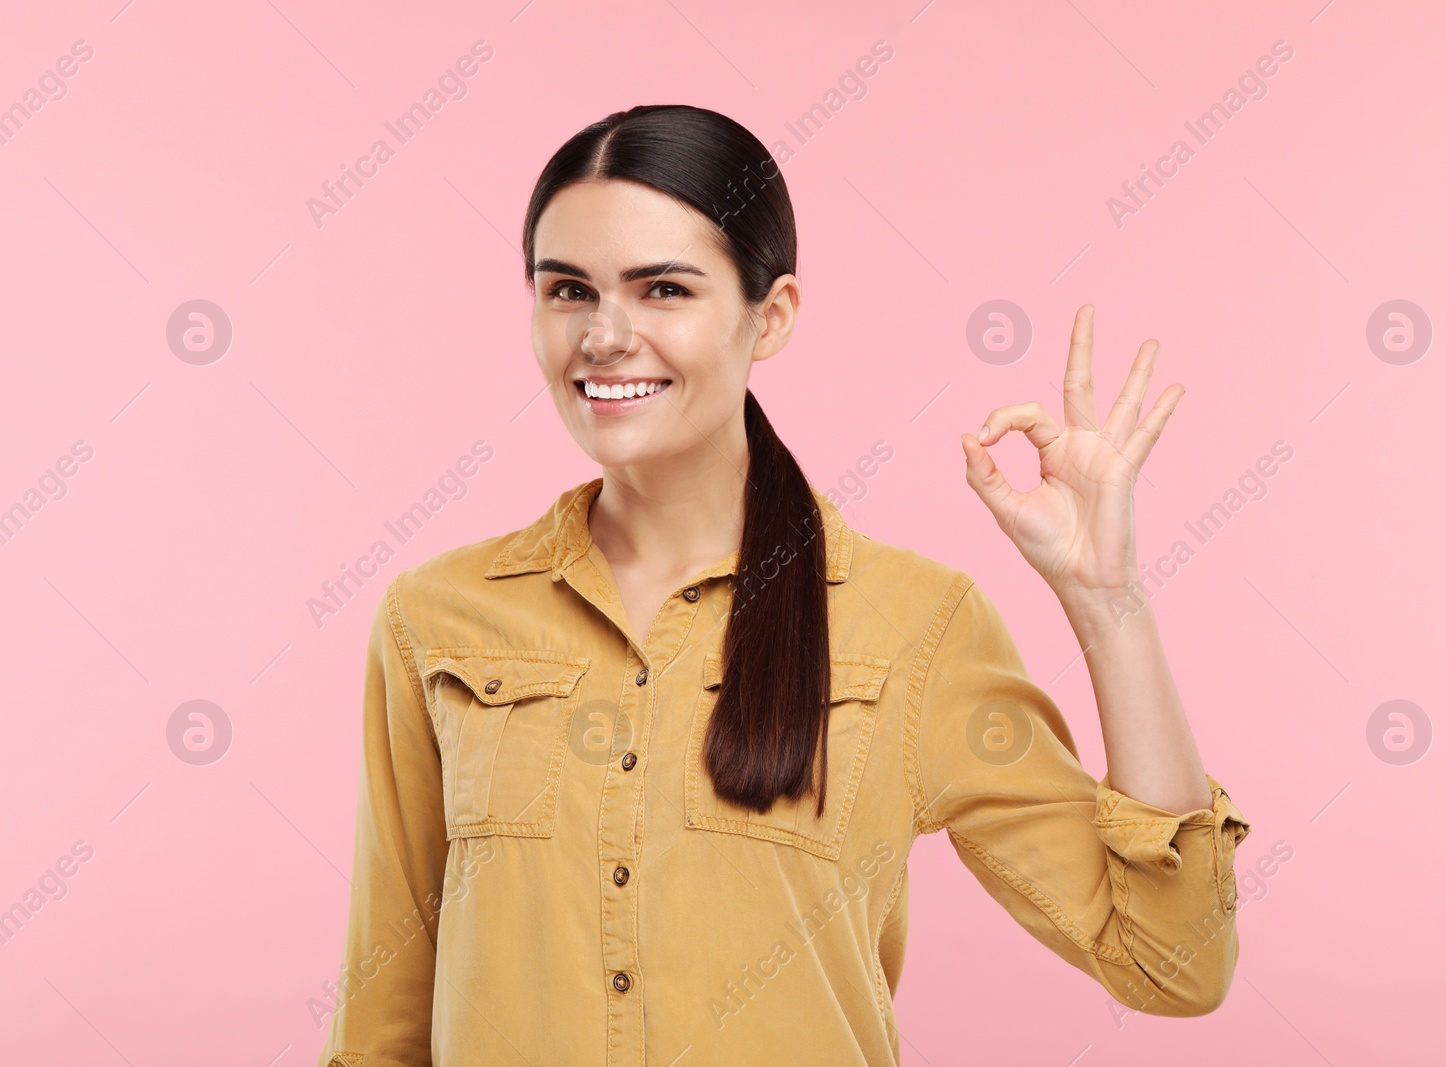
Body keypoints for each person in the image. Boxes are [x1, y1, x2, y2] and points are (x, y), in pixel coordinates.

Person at [318, 103, 1251, 1067]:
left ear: (771, 316)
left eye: (664, 289)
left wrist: (1108, 602)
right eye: (568, 290)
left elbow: (1173, 964)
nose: (603, 336)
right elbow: (384, 1021)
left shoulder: (915, 626)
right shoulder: (437, 617)